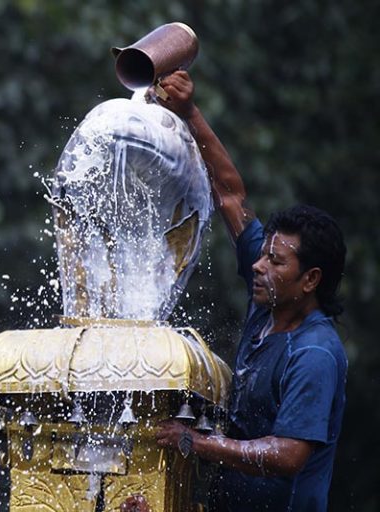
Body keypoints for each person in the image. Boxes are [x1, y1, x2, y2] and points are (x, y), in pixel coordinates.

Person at [152, 71, 348, 511]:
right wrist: (189, 113)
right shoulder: (269, 306)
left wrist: (196, 443)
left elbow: (287, 455)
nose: (257, 266)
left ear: (310, 280)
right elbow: (230, 195)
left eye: (275, 262)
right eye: (263, 254)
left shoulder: (313, 353)